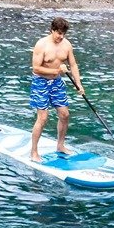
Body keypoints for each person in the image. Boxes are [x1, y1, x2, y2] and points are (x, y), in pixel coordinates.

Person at [27, 17, 85, 162]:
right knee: (43, 118)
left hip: (57, 83)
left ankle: (60, 146)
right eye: (59, 33)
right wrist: (57, 71)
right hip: (40, 82)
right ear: (52, 30)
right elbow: (36, 68)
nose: (61, 36)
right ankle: (34, 153)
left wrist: (78, 84)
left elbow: (73, 65)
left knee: (65, 114)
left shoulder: (67, 45)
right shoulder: (41, 45)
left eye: (63, 33)